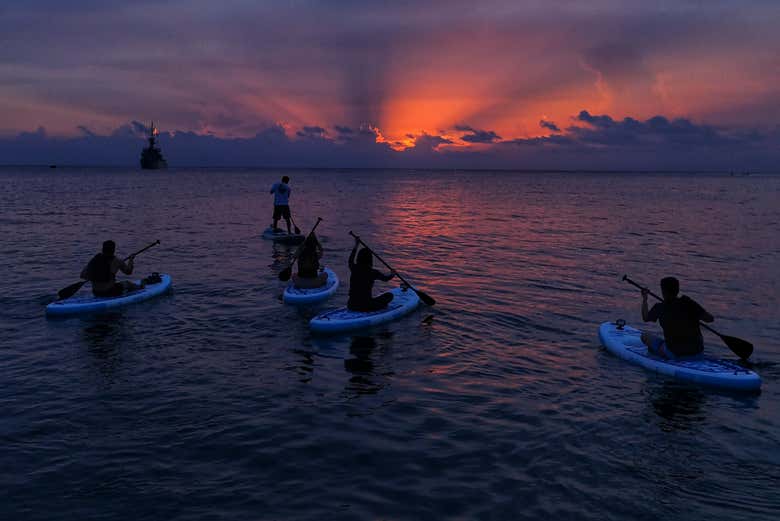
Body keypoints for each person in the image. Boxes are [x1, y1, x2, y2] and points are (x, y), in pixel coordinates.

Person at [640, 277, 714, 358]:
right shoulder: (688, 302)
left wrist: (645, 299)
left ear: (663, 291)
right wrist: (696, 315)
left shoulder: (660, 307)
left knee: (644, 336)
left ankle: (659, 353)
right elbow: (710, 319)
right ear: (677, 290)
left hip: (675, 353)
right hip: (697, 351)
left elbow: (645, 317)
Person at [347, 235, 396, 311]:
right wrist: (392, 274)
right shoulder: (373, 272)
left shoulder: (354, 268)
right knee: (389, 296)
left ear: (358, 258)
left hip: (351, 305)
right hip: (366, 306)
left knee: (375, 299)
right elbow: (386, 279)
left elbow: (350, 260)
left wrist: (356, 245)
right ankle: (380, 307)